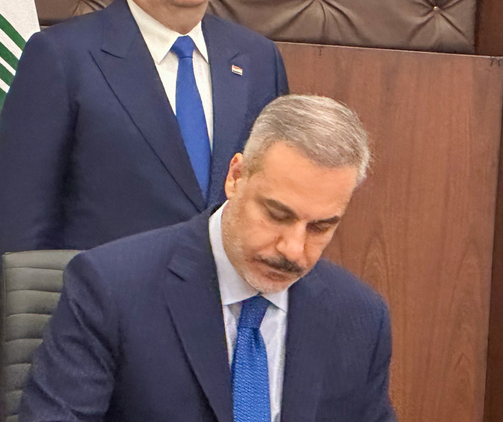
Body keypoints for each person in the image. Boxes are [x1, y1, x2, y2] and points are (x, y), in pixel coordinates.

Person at [11, 95, 403, 422]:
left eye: (320, 227)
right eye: (276, 215)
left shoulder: (358, 314)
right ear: (235, 177)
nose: (293, 249)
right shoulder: (113, 283)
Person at [0, 0, 288, 254]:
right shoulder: (61, 54)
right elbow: (20, 221)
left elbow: (281, 195)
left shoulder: (259, 58)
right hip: (106, 293)